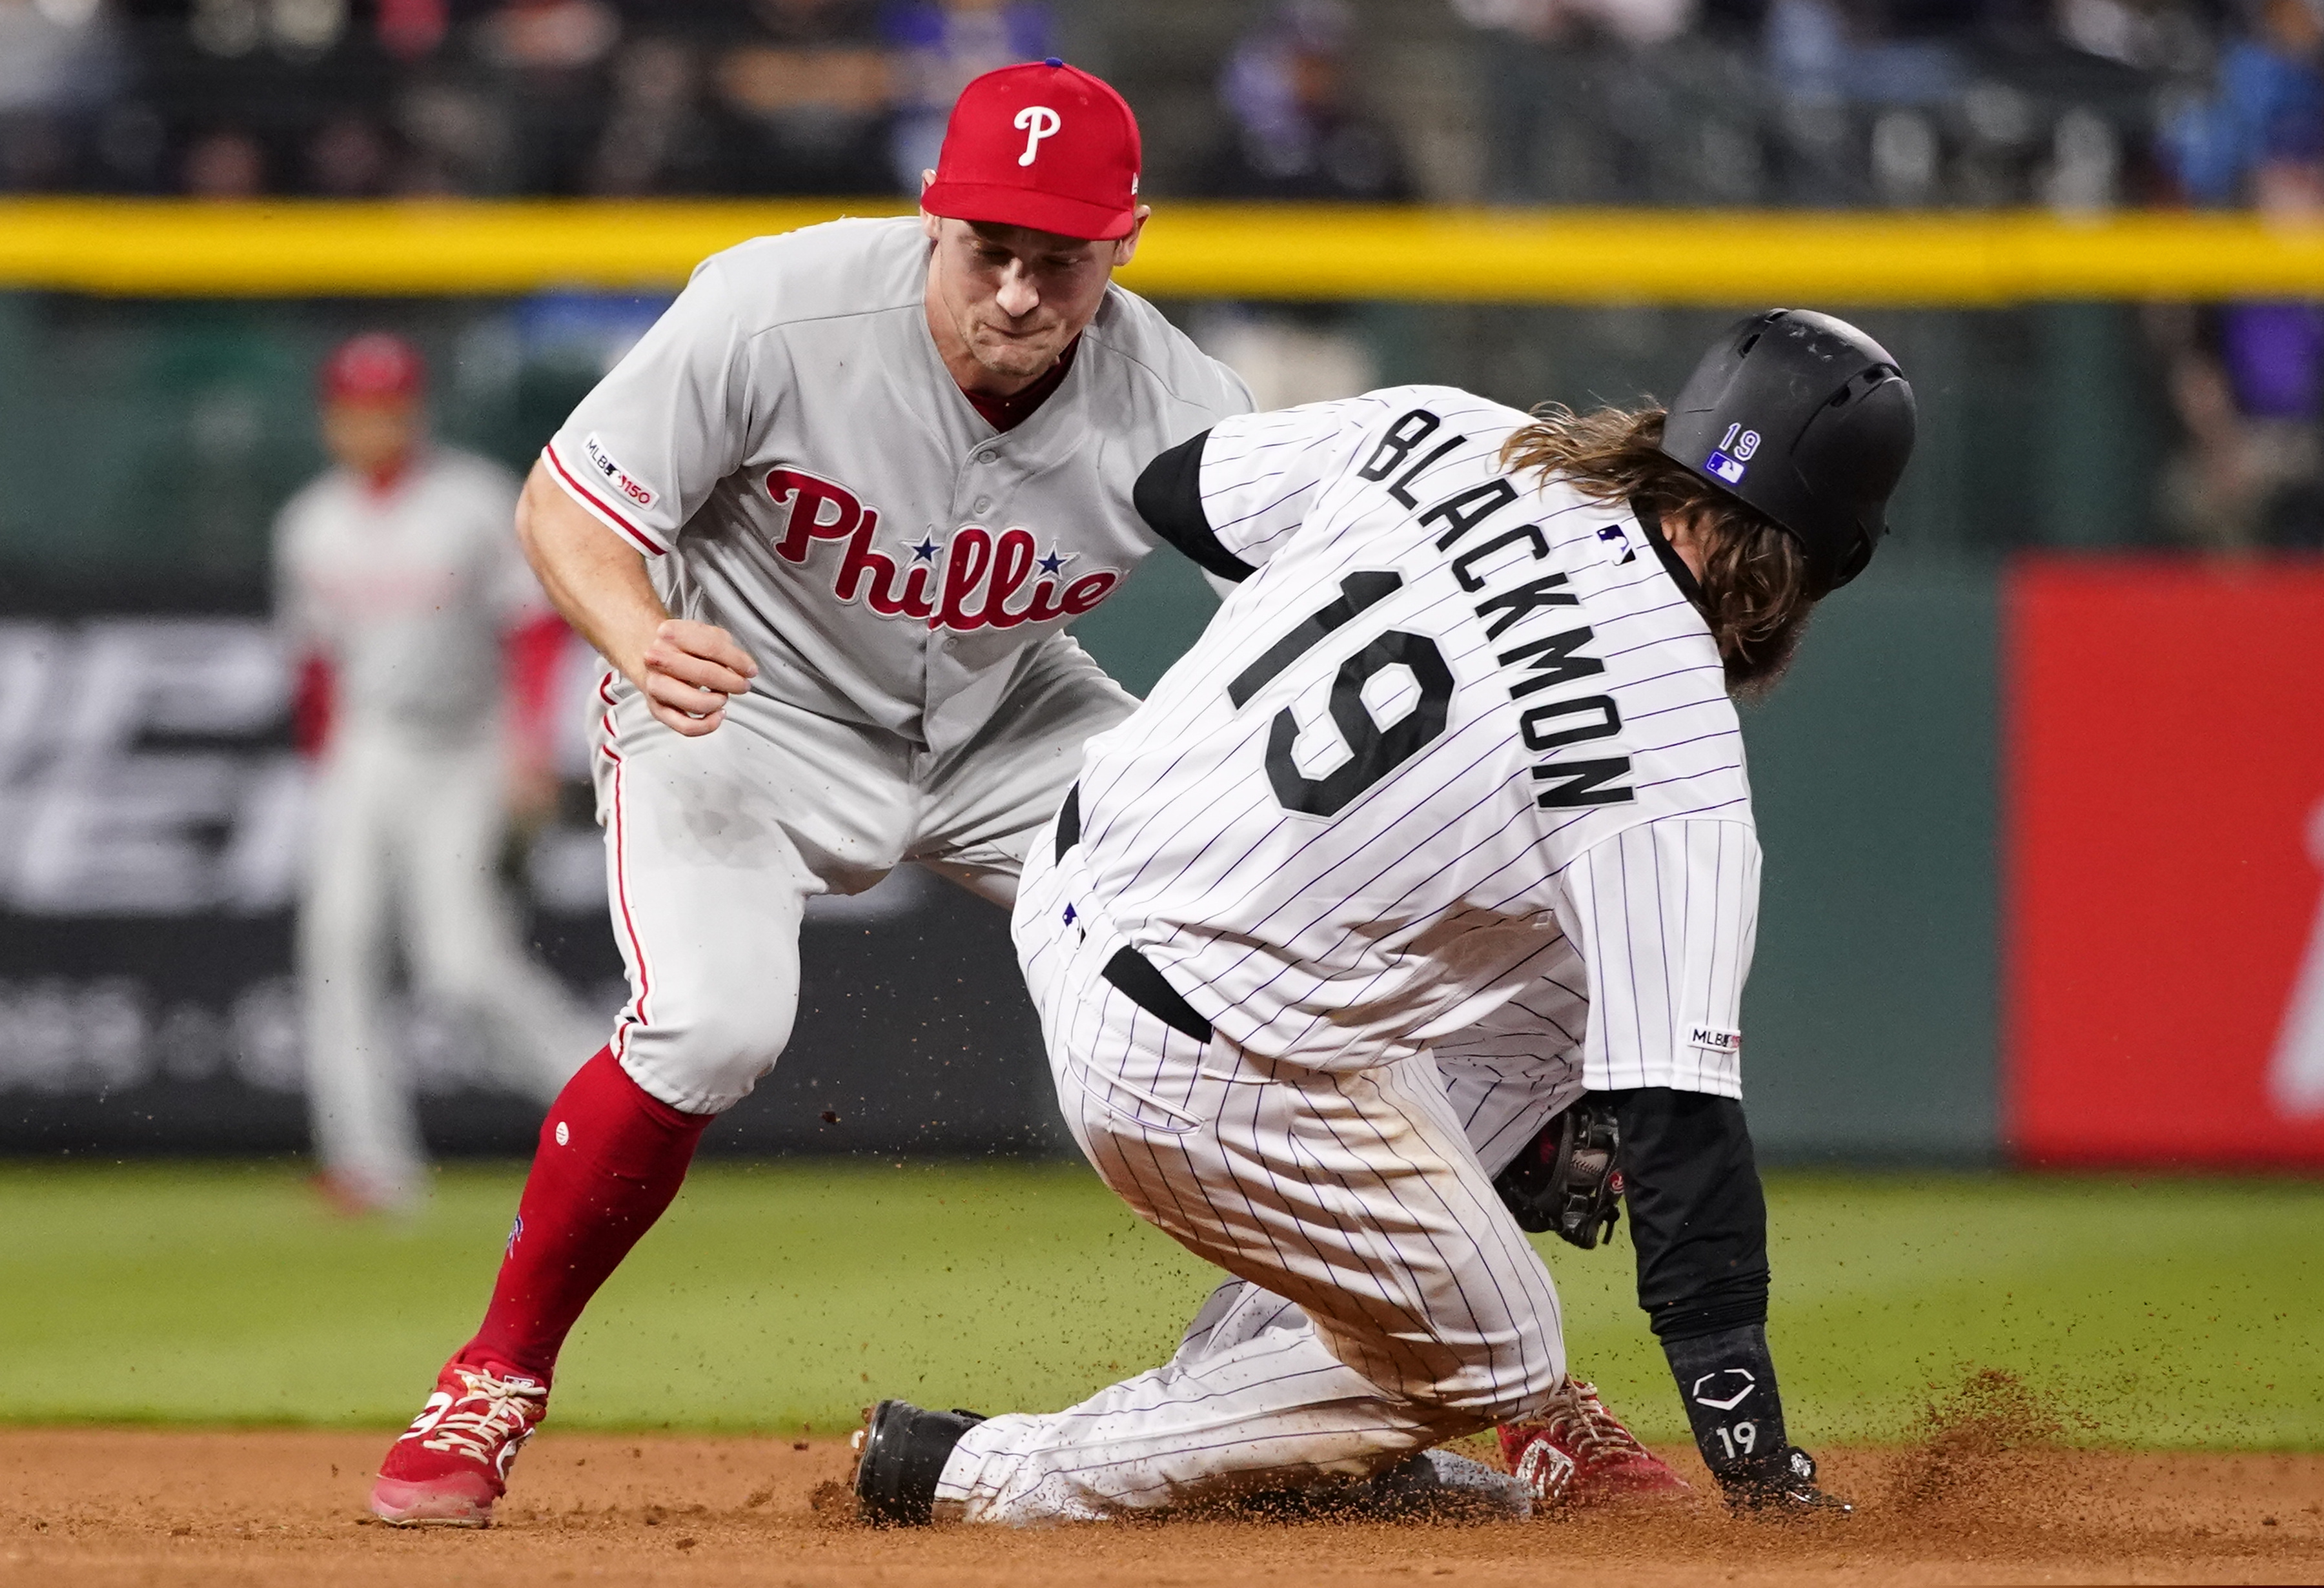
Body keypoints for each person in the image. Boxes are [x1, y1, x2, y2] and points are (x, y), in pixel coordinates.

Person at [367, 57, 1670, 1529]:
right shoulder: (776, 308)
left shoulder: (1182, 403)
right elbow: (567, 503)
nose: (1016, 293)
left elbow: (1335, 618)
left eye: (1061, 261)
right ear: (932, 214)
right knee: (714, 1027)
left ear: (1127, 245)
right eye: (988, 248)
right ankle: (491, 1378)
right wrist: (634, 632)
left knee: (1281, 962)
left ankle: (1518, 1388)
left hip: (1010, 712)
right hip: (740, 699)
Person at [853, 308, 1917, 1525]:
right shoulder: (1676, 758)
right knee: (1503, 1350)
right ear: (1818, 562)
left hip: (1077, 873)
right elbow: (1683, 1134)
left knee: (1575, 969)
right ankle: (988, 1473)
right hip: (1196, 1058)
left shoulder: (1459, 432)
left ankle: (1295, 1424)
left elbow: (1176, 491)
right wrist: (1758, 1467)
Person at [276, 332, 597, 1216]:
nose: (370, 423)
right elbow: (315, 667)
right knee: (336, 945)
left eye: (387, 406)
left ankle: (613, 1113)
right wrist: (327, 775)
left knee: (462, 965)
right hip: (369, 744)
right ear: (332, 417)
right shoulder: (310, 521)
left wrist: (530, 748)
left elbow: (533, 628)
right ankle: (370, 1167)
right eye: (354, 408)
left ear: (414, 410)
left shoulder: (471, 500)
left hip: (469, 742)